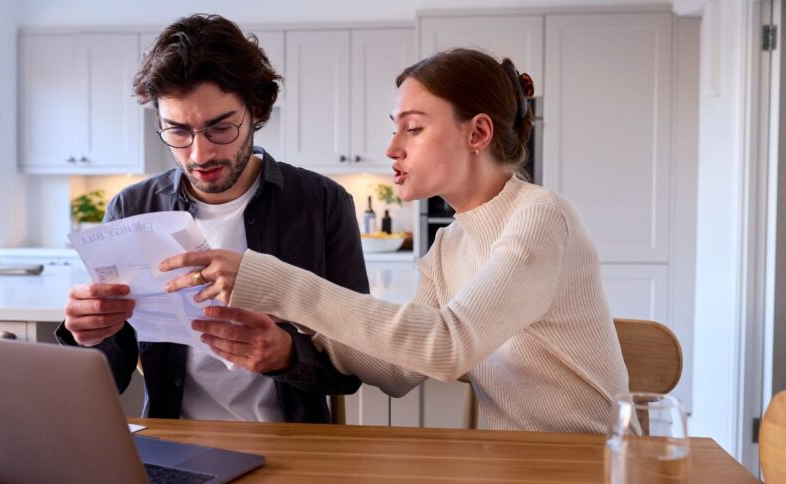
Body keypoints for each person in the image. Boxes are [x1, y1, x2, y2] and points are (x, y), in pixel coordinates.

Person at [160, 48, 631, 433]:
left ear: (478, 133)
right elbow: (398, 371)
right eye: (395, 126)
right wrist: (291, 331)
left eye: (414, 127)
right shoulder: (451, 245)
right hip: (513, 465)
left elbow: (447, 348)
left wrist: (275, 282)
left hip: (592, 463)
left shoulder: (541, 217)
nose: (392, 147)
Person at [56, 14, 367, 424]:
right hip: (176, 440)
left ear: (256, 110)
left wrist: (288, 354)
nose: (199, 154)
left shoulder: (322, 203)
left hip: (296, 444)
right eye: (178, 131)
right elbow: (109, 379)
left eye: (220, 128)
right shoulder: (132, 209)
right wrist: (88, 336)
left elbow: (354, 368)